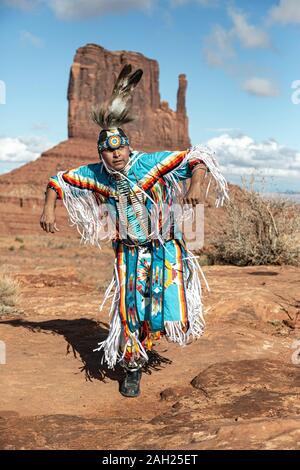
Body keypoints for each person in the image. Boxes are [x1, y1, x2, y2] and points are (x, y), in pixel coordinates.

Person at [40, 64, 228, 397]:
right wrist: (48, 208)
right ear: (101, 154)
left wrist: (196, 185)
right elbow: (58, 180)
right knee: (131, 310)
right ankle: (132, 366)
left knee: (166, 311)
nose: (115, 154)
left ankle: (150, 338)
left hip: (165, 248)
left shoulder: (150, 163)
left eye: (120, 148)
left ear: (129, 146)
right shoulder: (96, 174)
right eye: (108, 150)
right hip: (128, 252)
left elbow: (196, 158)